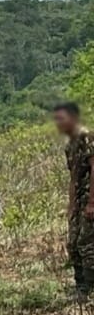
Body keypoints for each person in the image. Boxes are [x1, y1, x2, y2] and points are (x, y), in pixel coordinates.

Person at [53, 102, 94, 299]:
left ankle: (88, 288)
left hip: (89, 198)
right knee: (73, 242)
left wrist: (91, 202)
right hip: (78, 200)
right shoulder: (70, 144)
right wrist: (71, 205)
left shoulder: (87, 137)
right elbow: (73, 176)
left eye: (61, 118)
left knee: (87, 243)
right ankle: (80, 284)